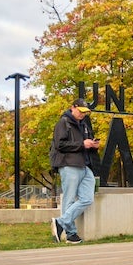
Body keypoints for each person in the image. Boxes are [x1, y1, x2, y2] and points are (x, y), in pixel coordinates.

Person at [49, 98, 99, 244]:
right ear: (73, 108)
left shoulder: (83, 125)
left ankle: (60, 223)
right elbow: (60, 144)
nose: (82, 114)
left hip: (85, 165)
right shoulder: (63, 122)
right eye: (80, 111)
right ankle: (71, 234)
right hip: (69, 164)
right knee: (69, 200)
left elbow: (84, 144)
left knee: (87, 198)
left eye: (85, 112)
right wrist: (82, 144)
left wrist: (93, 145)